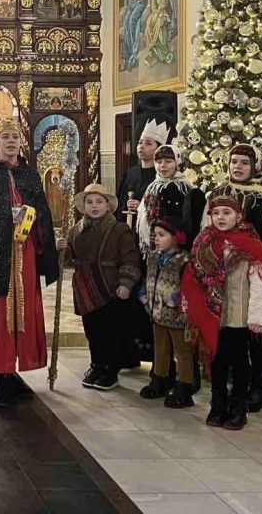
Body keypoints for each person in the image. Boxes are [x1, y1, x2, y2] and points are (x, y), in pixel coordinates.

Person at [0, 120, 58, 408]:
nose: (11, 141)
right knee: (1, 315)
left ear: (21, 142)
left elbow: (42, 213)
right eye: (5, 137)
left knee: (24, 312)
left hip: (25, 254)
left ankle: (15, 371)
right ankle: (3, 373)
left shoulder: (30, 175)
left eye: (15, 137)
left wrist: (34, 224)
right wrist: (6, 223)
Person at [182, 194, 262, 430]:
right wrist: (191, 307)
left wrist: (258, 316)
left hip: (238, 315)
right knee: (217, 360)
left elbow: (260, 284)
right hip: (213, 316)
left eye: (227, 213)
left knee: (239, 361)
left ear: (238, 216)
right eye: (216, 213)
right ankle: (218, 404)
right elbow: (192, 277)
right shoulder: (204, 242)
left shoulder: (250, 244)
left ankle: (238, 407)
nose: (220, 217)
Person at [224, 144, 262, 413]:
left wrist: (248, 256)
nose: (237, 167)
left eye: (244, 163)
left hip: (256, 274)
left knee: (255, 329)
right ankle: (236, 382)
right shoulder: (221, 193)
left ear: (255, 167)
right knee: (231, 329)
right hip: (227, 273)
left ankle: (257, 388)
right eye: (234, 162)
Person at [63, 183, 140, 391]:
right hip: (85, 288)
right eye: (89, 202)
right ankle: (96, 365)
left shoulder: (120, 230)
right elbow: (68, 257)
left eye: (99, 201)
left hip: (110, 287)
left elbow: (130, 258)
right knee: (92, 330)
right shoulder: (75, 230)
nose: (94, 206)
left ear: (108, 205)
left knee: (110, 331)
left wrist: (126, 284)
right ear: (84, 206)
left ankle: (110, 370)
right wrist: (62, 250)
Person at [115, 118, 168, 367]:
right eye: (139, 142)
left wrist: (143, 208)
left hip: (151, 247)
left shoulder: (161, 178)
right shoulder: (130, 173)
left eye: (148, 143)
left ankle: (153, 354)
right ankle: (128, 354)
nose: (141, 147)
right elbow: (117, 205)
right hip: (130, 244)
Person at [139, 217, 193, 407]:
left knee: (182, 352)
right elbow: (148, 279)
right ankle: (160, 379)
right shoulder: (153, 257)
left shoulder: (184, 260)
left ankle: (184, 387)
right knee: (160, 348)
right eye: (155, 235)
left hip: (177, 316)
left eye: (161, 235)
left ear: (175, 237)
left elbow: (188, 289)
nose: (156, 239)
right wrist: (144, 297)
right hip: (157, 313)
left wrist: (177, 302)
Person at [135, 144, 206, 256]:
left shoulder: (187, 189)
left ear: (177, 163)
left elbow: (195, 226)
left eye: (168, 161)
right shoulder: (152, 188)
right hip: (153, 249)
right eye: (159, 162)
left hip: (180, 251)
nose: (163, 166)